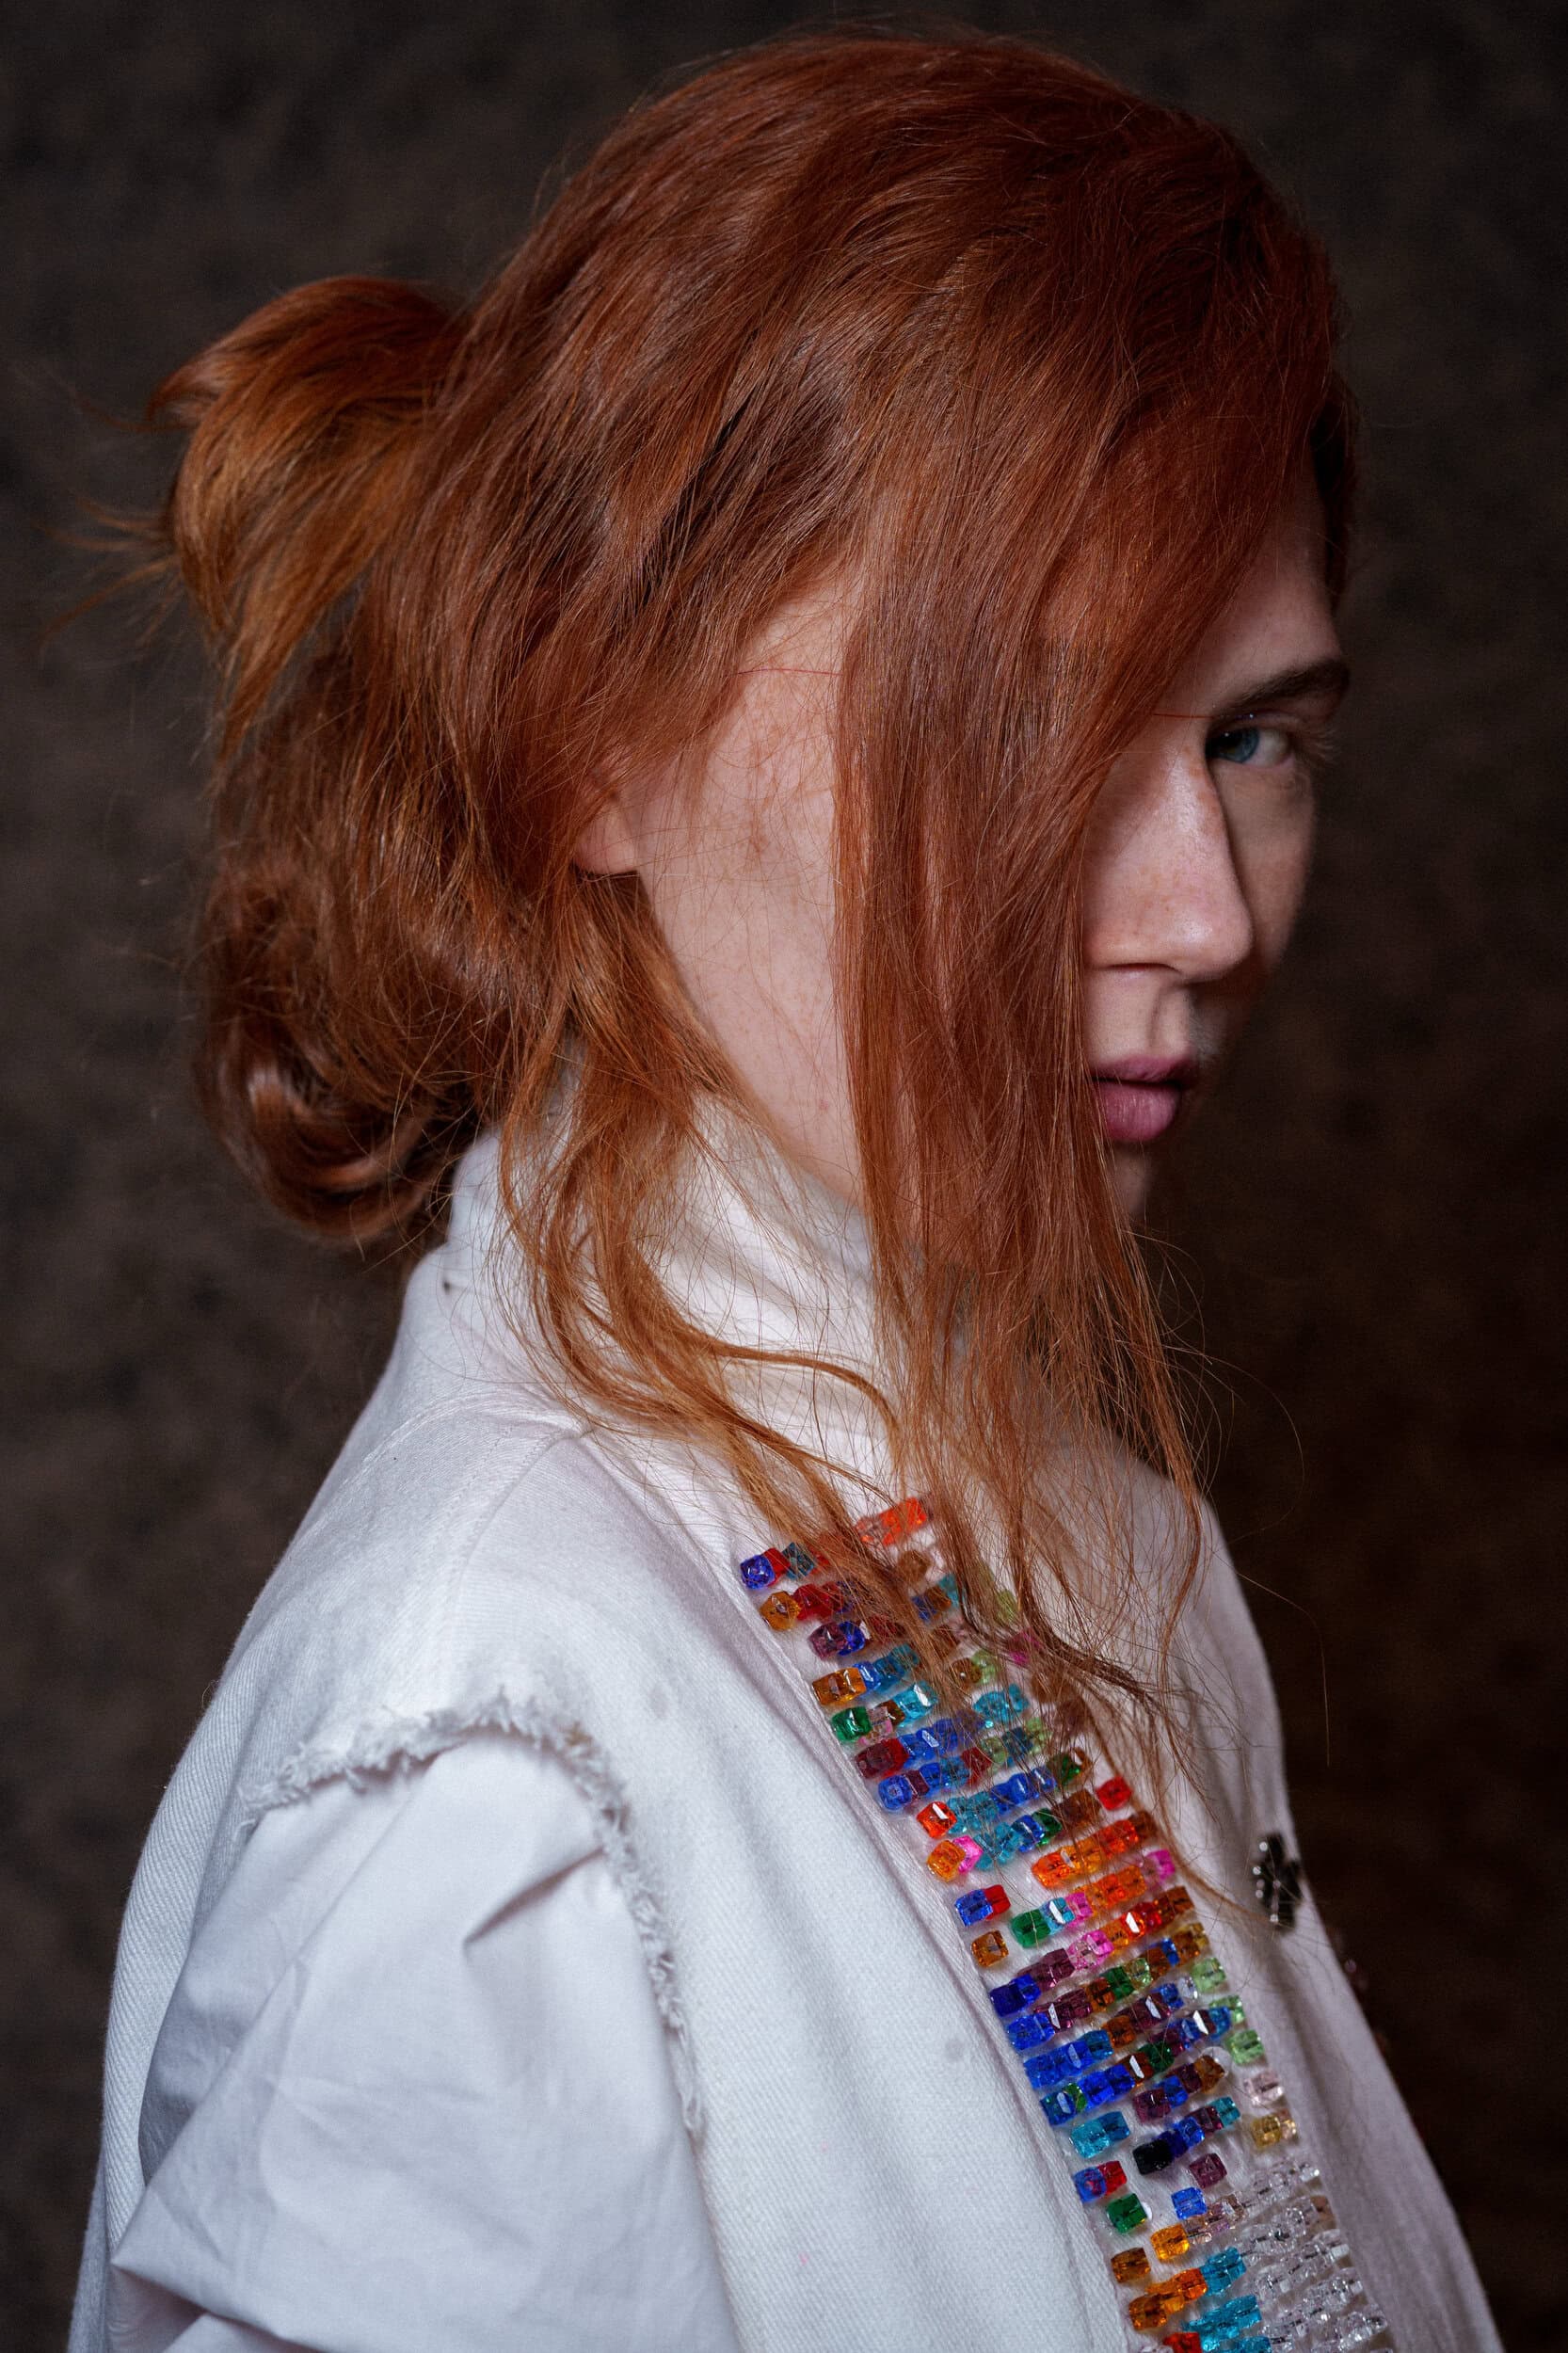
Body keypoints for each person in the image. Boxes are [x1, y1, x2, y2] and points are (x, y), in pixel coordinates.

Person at [70, 28, 1501, 2353]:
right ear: (585, 735)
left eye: (1251, 736)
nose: (1209, 911)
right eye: (1032, 727)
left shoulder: (1069, 1523)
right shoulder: (487, 1765)